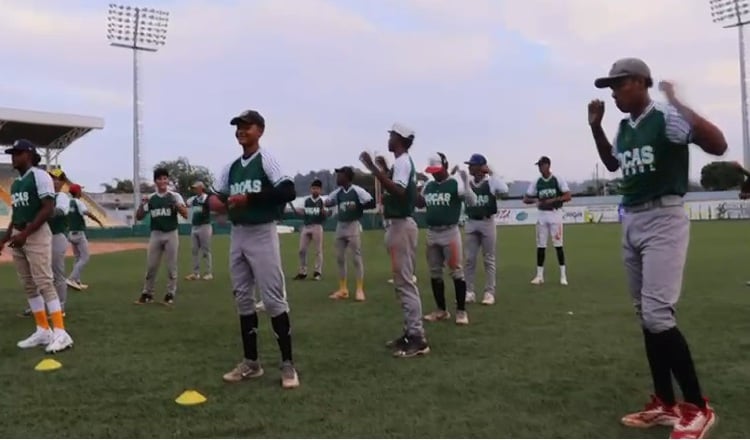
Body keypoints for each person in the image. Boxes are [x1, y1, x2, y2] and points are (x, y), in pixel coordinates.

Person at [589, 57, 727, 438]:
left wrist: (677, 101)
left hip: (663, 217)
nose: (613, 92)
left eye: (618, 84)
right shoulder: (624, 126)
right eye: (611, 86)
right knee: (646, 315)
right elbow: (612, 164)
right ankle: (665, 403)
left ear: (640, 82)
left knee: (657, 315)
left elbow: (718, 144)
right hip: (632, 219)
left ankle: (698, 408)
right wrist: (597, 129)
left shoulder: (665, 117)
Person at [207, 109, 299, 389]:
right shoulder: (232, 167)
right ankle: (251, 362)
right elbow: (214, 197)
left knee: (273, 299)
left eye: (247, 126)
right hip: (238, 234)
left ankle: (287, 365)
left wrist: (250, 198)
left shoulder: (266, 159)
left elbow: (287, 191)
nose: (241, 131)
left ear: (260, 130)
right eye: (238, 127)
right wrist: (216, 203)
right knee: (243, 298)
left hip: (262, 232)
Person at [359, 122, 427, 358]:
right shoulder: (401, 162)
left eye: (391, 135)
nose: (388, 138)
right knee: (402, 283)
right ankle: (410, 333)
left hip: (401, 225)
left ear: (399, 138)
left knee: (406, 283)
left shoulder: (402, 161)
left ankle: (417, 338)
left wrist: (372, 169)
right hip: (399, 225)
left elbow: (398, 190)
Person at [0, 139, 73, 353]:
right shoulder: (16, 183)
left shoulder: (40, 176)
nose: (13, 156)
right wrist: (6, 237)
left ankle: (60, 332)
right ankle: (43, 329)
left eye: (18, 153)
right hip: (20, 233)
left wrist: (25, 233)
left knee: (44, 281)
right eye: (13, 153)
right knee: (29, 284)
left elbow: (48, 208)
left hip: (35, 233)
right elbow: (17, 213)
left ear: (29, 155)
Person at [417, 153, 476, 325]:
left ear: (445, 166)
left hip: (450, 232)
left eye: (437, 170)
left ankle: (461, 311)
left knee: (456, 272)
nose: (434, 174)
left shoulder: (455, 182)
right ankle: (441, 310)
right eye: (432, 171)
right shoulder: (429, 184)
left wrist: (466, 185)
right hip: (432, 232)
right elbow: (421, 204)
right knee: (435, 272)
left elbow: (471, 201)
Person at [134, 167, 188, 306]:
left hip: (171, 233)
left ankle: (170, 293)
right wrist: (142, 204)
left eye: (165, 178)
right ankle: (147, 293)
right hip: (156, 234)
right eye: (160, 179)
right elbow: (139, 217)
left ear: (168, 180)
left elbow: (185, 214)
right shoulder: (152, 198)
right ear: (155, 181)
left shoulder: (174, 196)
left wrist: (176, 205)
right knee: (151, 266)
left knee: (171, 266)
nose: (163, 181)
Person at [462, 153, 509, 305]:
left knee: (489, 259)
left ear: (481, 167)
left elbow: (504, 189)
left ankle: (489, 292)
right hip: (471, 222)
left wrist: (492, 172)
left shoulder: (491, 183)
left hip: (487, 222)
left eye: (472, 165)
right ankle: (469, 292)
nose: (469, 167)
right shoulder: (467, 183)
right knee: (469, 259)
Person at [325, 167, 375, 301]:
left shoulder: (357, 191)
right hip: (340, 225)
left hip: (353, 225)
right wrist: (329, 204)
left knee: (356, 258)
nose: (337, 178)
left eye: (340, 175)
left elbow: (371, 202)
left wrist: (358, 206)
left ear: (347, 177)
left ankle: (359, 289)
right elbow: (328, 202)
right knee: (340, 258)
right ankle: (343, 289)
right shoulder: (338, 192)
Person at [522, 156, 572, 286]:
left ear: (548, 165)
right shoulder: (537, 181)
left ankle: (563, 275)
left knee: (558, 245)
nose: (539, 168)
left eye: (541, 165)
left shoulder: (557, 179)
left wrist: (554, 200)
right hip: (542, 215)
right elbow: (526, 198)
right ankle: (539, 276)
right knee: (541, 246)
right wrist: (535, 200)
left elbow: (568, 196)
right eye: (538, 166)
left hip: (555, 214)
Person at [66, 183, 104, 291]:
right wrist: (98, 221)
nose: (81, 192)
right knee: (85, 257)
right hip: (78, 232)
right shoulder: (78, 202)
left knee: (78, 257)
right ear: (77, 192)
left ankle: (77, 281)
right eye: (80, 190)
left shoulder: (68, 202)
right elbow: (87, 213)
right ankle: (72, 279)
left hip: (71, 232)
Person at [292, 179, 327, 281]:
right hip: (306, 226)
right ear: (310, 189)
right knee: (302, 250)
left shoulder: (322, 201)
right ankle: (302, 272)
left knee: (318, 250)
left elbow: (327, 214)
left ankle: (317, 272)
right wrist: (297, 211)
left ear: (320, 190)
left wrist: (324, 212)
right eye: (313, 188)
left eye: (317, 189)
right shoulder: (306, 200)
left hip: (317, 226)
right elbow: (303, 212)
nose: (314, 190)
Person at [48, 169, 71, 313]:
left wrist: (41, 212)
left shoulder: (62, 196)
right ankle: (40, 306)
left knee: (57, 274)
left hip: (56, 236)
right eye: (52, 178)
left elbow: (60, 211)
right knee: (41, 275)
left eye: (58, 179)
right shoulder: (44, 195)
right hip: (41, 237)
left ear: (63, 182)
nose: (55, 181)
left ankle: (60, 306)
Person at [185, 181, 213, 281]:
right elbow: (186, 204)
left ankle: (208, 272)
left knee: (206, 250)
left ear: (201, 188)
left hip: (205, 226)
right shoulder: (194, 199)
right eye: (194, 188)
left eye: (196, 188)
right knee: (194, 250)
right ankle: (195, 273)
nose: (194, 190)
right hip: (195, 226)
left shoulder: (206, 198)